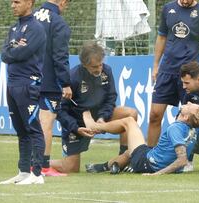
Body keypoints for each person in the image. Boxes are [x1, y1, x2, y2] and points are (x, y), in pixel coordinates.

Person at [49, 42, 138, 173]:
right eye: (94, 66)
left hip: (101, 117)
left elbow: (111, 98)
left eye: (101, 64)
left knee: (130, 114)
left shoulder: (106, 71)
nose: (99, 69)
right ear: (84, 65)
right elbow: (60, 111)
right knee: (71, 168)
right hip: (78, 123)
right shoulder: (72, 78)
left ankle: (122, 159)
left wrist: (103, 118)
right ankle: (39, 161)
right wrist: (76, 127)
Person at [148, 0, 199, 147]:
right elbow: (161, 37)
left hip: (189, 74)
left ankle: (187, 159)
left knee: (190, 119)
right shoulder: (168, 8)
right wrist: (155, 65)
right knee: (154, 115)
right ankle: (149, 157)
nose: (185, 1)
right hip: (167, 71)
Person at [85, 102, 199, 175]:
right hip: (150, 156)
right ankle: (106, 167)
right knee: (129, 152)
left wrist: (157, 174)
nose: (188, 103)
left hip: (146, 162)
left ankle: (96, 126)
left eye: (191, 105)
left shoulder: (175, 128)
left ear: (186, 117)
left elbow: (182, 160)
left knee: (128, 121)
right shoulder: (197, 127)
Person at [0, 0, 46, 185]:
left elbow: (20, 54)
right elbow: (5, 54)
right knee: (21, 131)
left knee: (33, 128)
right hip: (12, 85)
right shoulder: (13, 28)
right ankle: (24, 171)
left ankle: (37, 173)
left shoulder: (36, 29)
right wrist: (14, 48)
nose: (13, 5)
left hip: (28, 84)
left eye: (17, 1)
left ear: (29, 2)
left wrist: (14, 49)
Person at [33, 0, 72, 176]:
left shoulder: (31, 17)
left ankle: (29, 164)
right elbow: (60, 56)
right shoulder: (58, 22)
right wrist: (65, 83)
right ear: (62, 2)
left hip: (27, 80)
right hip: (48, 83)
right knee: (46, 124)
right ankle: (43, 166)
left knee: (32, 124)